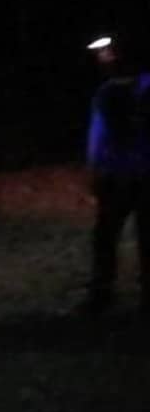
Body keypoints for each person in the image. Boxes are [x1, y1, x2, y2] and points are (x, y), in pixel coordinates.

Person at [76, 34, 150, 318]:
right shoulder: (132, 88)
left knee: (106, 236)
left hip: (120, 175)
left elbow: (99, 138)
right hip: (136, 173)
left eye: (106, 53)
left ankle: (102, 294)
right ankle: (115, 295)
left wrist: (95, 169)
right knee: (123, 237)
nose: (102, 58)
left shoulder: (108, 93)